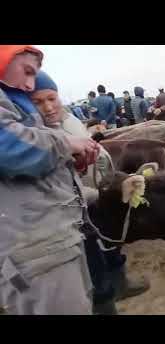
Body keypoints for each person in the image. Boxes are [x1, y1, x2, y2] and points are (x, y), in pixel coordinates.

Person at [30, 71, 151, 315]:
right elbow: (59, 188)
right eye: (38, 101)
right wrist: (105, 193)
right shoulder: (39, 140)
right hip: (73, 213)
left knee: (108, 244)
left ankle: (120, 283)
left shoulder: (68, 121)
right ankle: (107, 300)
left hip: (91, 196)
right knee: (94, 268)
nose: (48, 106)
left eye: (51, 98)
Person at [0, 45, 100, 315]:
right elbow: (10, 148)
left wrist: (67, 163)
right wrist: (66, 144)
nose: (29, 84)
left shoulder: (11, 98)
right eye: (27, 71)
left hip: (52, 236)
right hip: (34, 246)